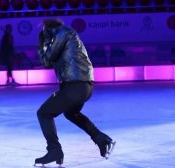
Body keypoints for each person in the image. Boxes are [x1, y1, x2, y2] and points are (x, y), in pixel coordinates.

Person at [34, 19, 115, 166]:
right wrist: (44, 45)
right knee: (71, 113)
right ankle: (101, 139)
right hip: (82, 86)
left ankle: (54, 150)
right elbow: (46, 63)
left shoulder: (62, 32)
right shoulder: (64, 35)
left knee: (44, 113)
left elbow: (49, 57)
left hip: (76, 85)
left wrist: (44, 42)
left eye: (44, 30)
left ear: (49, 27)